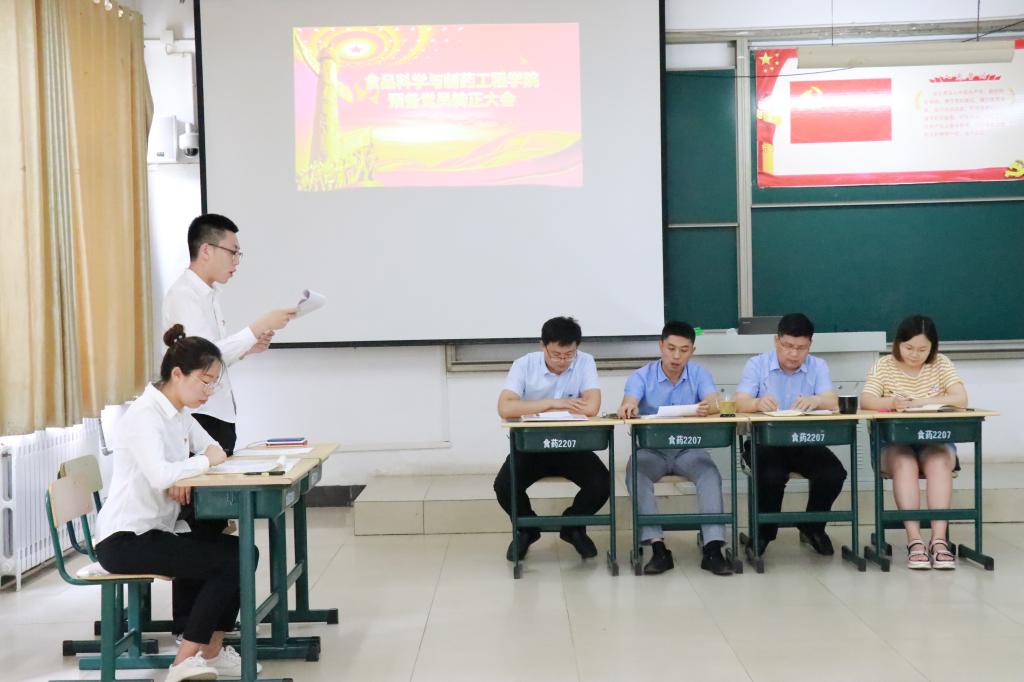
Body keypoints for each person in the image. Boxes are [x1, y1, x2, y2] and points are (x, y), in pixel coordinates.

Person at [94, 325, 260, 681]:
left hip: (158, 530)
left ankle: (211, 652)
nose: (209, 391)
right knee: (229, 562)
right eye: (205, 381)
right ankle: (183, 662)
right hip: (125, 539)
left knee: (245, 553)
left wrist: (184, 471)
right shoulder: (145, 416)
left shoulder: (178, 413)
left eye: (213, 383)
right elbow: (162, 475)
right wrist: (188, 468)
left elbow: (215, 449)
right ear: (177, 374)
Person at [162, 213, 295, 631]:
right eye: (232, 251)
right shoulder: (184, 296)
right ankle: (192, 626)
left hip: (217, 416)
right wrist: (255, 328)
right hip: (200, 418)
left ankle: (211, 624)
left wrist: (247, 345)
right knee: (199, 525)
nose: (237, 260)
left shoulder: (209, 294)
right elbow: (200, 361)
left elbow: (215, 355)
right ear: (206, 250)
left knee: (213, 522)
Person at [617, 321, 732, 576]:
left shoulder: (700, 374)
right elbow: (629, 400)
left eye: (684, 350)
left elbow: (715, 402)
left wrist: (709, 407)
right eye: (671, 349)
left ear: (692, 350)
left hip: (689, 449)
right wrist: (628, 407)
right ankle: (658, 548)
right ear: (661, 346)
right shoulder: (641, 376)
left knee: (709, 474)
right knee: (635, 473)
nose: (676, 356)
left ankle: (713, 548)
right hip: (652, 451)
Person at [493, 316, 610, 562]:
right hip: (532, 448)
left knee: (601, 483)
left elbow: (592, 407)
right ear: (542, 346)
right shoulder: (524, 364)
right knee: (504, 485)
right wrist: (553, 403)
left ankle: (573, 525)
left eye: (569, 355)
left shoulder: (585, 361)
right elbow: (505, 407)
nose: (563, 361)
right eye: (556, 354)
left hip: (571, 445)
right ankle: (527, 529)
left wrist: (531, 407)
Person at [859, 315, 967, 570]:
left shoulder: (941, 363)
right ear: (898, 343)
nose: (915, 355)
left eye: (922, 349)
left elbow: (960, 399)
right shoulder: (883, 365)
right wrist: (891, 403)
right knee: (905, 463)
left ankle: (939, 541)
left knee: (939, 462)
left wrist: (918, 402)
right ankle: (915, 541)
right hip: (893, 445)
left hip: (934, 440)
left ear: (933, 348)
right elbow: (866, 400)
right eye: (909, 348)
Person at [735, 313, 844, 558]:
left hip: (804, 441)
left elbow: (832, 400)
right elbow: (739, 402)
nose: (794, 354)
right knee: (771, 475)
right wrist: (757, 404)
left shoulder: (818, 366)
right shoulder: (757, 364)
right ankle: (763, 533)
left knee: (833, 473)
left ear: (810, 345)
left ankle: (813, 526)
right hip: (766, 442)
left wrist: (816, 400)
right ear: (777, 341)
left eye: (801, 348)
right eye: (788, 346)